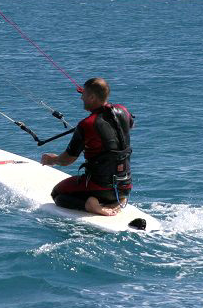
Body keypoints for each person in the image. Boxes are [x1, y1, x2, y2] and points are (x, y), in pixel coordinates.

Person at [41, 77, 134, 216]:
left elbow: (68, 160)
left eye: (83, 95)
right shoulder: (123, 111)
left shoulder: (87, 124)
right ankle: (116, 200)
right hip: (125, 185)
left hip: (100, 187)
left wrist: (52, 160)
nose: (81, 98)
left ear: (91, 97)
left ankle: (91, 205)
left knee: (57, 194)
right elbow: (130, 124)